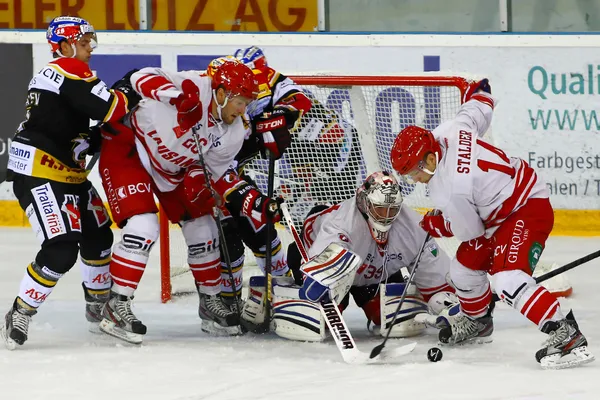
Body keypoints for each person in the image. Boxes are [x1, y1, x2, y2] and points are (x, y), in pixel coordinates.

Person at [390, 79, 595, 369]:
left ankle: (566, 333)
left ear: (429, 157)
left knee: (507, 278)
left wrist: (438, 224)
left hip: (526, 208)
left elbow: (469, 231)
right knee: (462, 269)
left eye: (415, 172)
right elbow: (474, 111)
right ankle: (478, 321)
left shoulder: (452, 190)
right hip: (501, 209)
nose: (415, 179)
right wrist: (482, 93)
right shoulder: (449, 131)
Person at [97, 60, 288, 343]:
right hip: (131, 149)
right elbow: (140, 76)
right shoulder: (195, 85)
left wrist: (250, 202)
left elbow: (213, 173)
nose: (242, 110)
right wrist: (176, 98)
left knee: (205, 229)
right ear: (221, 93)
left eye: (247, 103)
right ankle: (116, 304)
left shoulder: (234, 132)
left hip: (174, 170)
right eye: (239, 101)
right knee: (144, 226)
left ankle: (209, 303)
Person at [0, 16, 135, 349]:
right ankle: (21, 310)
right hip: (40, 172)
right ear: (64, 45)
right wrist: (134, 88)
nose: (90, 48)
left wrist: (89, 136)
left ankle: (97, 305)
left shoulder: (62, 74)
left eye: (91, 41)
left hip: (66, 172)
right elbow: (110, 107)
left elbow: (66, 120)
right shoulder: (67, 69)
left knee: (99, 236)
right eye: (84, 42)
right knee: (61, 248)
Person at [241, 171, 456, 340]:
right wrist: (319, 280)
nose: (387, 217)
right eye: (380, 209)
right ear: (364, 202)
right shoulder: (343, 224)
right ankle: (267, 291)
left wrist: (451, 305)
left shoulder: (412, 227)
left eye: (392, 210)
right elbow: (324, 260)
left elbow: (436, 277)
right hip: (313, 254)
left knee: (398, 321)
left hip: (372, 272)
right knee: (315, 322)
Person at [204, 51, 311, 303]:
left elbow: (299, 99)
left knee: (263, 231)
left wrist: (280, 118)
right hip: (207, 184)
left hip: (234, 173)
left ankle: (283, 295)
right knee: (228, 245)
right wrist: (257, 141)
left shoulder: (261, 80)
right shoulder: (203, 103)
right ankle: (226, 304)